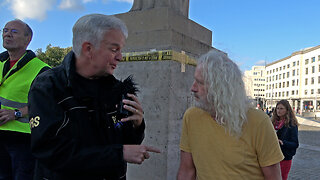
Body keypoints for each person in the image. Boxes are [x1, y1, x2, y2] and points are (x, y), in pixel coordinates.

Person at [28, 14, 160, 180]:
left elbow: (125, 139)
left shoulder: (117, 89)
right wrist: (118, 153)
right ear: (88, 49)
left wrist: (136, 125)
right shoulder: (48, 87)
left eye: (121, 49)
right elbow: (50, 151)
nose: (120, 56)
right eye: (114, 49)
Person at [177, 50, 284, 180]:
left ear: (221, 89)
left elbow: (273, 177)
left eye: (200, 82)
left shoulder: (259, 122)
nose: (192, 88)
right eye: (195, 80)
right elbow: (186, 171)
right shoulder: (191, 117)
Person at [0, 19, 50, 179]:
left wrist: (15, 114)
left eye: (14, 32)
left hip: (23, 140)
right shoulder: (1, 63)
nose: (7, 34)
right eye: (5, 30)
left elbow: (48, 104)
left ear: (28, 39)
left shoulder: (42, 70)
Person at [271, 100, 299, 180]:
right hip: (272, 156)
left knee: (282, 178)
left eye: (281, 108)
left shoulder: (292, 124)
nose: (278, 111)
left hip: (284, 157)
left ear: (287, 110)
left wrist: (283, 143)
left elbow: (295, 143)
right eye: (277, 108)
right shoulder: (272, 122)